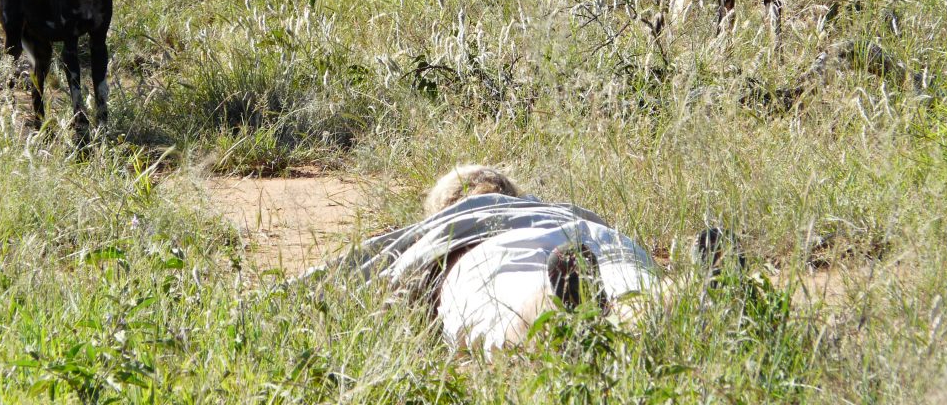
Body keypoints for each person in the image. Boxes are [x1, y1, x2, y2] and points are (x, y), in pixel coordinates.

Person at [308, 165, 734, 355]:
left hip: (489, 256)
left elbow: (358, 264)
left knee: (511, 311)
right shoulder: (556, 206)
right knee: (634, 288)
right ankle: (698, 290)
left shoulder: (447, 223)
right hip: (592, 238)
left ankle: (561, 301)